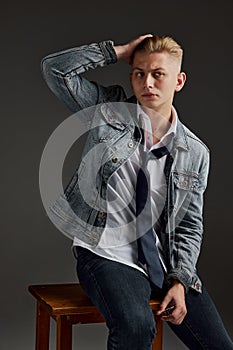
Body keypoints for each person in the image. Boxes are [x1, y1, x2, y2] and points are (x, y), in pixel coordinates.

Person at [41, 34, 233, 349]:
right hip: (106, 253)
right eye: (139, 73)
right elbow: (55, 70)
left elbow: (189, 225)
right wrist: (117, 52)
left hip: (163, 261)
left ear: (179, 81)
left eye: (158, 74)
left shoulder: (195, 152)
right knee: (136, 326)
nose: (148, 83)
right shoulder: (106, 110)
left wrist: (181, 280)